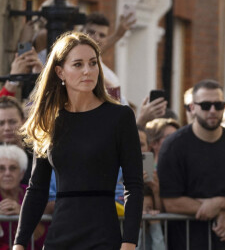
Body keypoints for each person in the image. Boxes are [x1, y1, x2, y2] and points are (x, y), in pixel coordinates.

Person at [13, 32, 143, 250]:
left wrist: (129, 243)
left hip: (103, 235)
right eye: (78, 64)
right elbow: (37, 188)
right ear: (60, 71)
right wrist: (19, 243)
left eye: (93, 63)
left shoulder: (119, 117)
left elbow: (134, 185)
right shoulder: (49, 119)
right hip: (59, 237)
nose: (88, 71)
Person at [157, 79, 225, 250]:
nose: (212, 111)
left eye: (218, 105)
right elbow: (171, 202)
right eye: (205, 105)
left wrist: (219, 203)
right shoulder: (173, 146)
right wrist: (217, 210)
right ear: (192, 108)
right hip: (185, 242)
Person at [0, 144, 47, 250]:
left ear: (21, 173)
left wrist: (25, 217)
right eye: (1, 169)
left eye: (13, 168)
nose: (7, 173)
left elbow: (44, 239)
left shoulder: (34, 196)